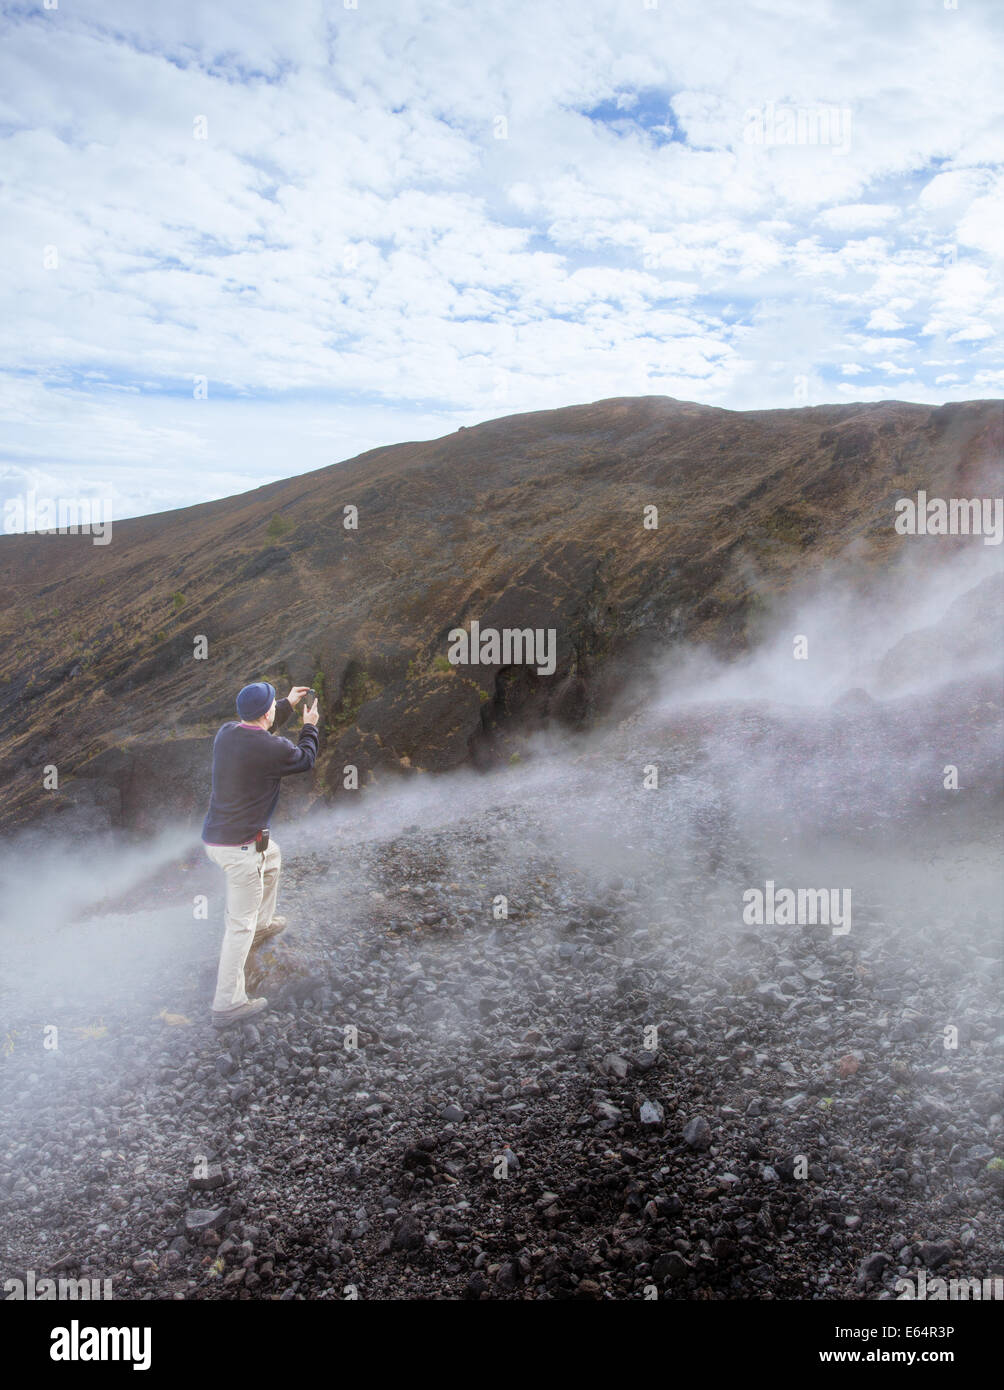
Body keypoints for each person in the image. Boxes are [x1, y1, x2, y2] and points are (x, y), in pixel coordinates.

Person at [201, 681, 319, 1029]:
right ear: (265, 713)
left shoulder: (226, 734)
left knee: (273, 858)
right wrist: (309, 724)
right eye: (273, 707)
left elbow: (261, 726)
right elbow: (305, 760)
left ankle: (264, 924)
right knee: (238, 927)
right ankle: (227, 1003)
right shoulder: (273, 749)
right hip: (238, 849)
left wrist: (287, 704)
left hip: (217, 838)